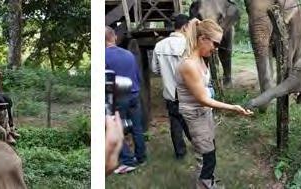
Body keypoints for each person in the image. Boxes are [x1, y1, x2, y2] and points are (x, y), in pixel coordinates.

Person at [177, 19, 253, 188]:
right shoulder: (189, 64)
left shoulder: (201, 60)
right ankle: (205, 184)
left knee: (208, 151)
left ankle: (208, 180)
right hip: (194, 115)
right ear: (203, 38)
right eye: (215, 44)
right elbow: (202, 99)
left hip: (204, 113)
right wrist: (233, 108)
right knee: (206, 156)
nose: (215, 49)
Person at [105, 26, 146, 174]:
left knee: (116, 128)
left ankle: (128, 161)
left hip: (118, 97)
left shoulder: (103, 56)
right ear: (114, 37)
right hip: (134, 94)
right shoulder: (129, 54)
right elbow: (137, 75)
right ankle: (141, 157)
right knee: (137, 127)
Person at [152, 14, 193, 160]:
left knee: (175, 121)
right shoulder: (189, 44)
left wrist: (166, 72)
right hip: (187, 92)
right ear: (184, 27)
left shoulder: (159, 45)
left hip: (170, 93)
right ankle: (198, 145)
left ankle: (180, 153)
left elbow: (155, 70)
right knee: (191, 120)